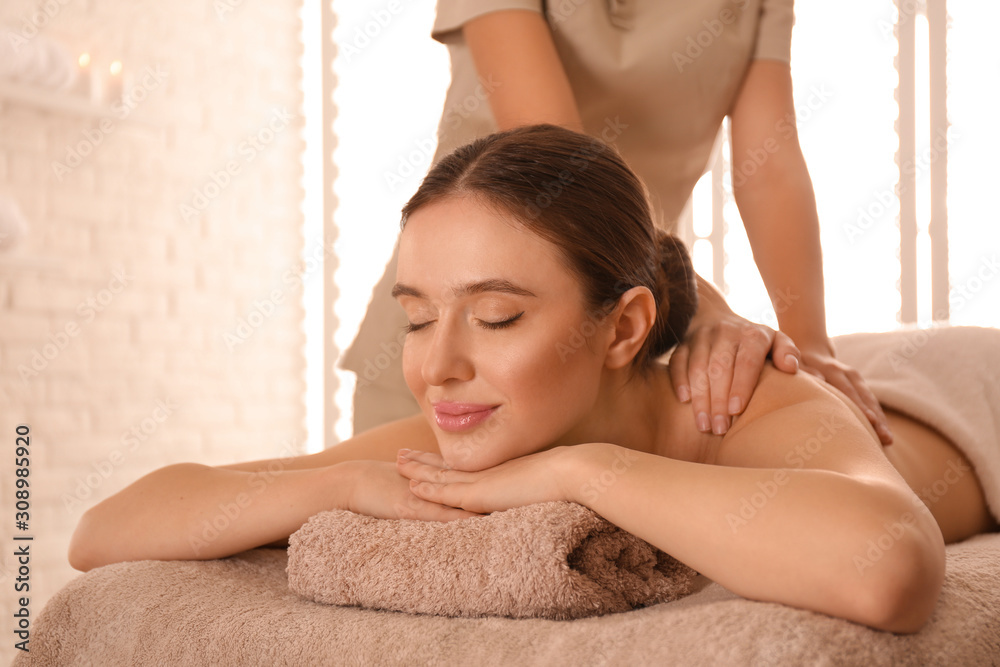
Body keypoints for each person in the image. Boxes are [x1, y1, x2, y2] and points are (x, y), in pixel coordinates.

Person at [69, 126, 996, 634]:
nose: (438, 366)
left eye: (499, 315)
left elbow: (890, 569)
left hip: (959, 386)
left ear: (625, 328)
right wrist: (344, 481)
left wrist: (581, 471)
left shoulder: (735, 400)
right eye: (419, 316)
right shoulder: (467, 422)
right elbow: (100, 532)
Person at [341, 0, 896, 445]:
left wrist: (809, 346)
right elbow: (564, 172)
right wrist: (707, 311)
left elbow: (769, 168)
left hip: (607, 327)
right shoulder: (439, 358)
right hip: (464, 333)